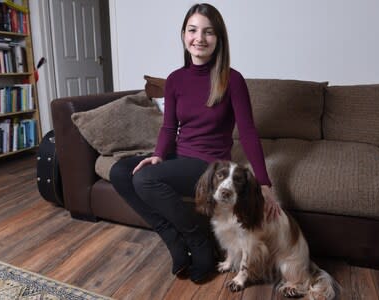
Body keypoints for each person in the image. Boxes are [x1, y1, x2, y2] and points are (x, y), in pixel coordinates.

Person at [110, 3, 280, 283]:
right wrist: (159, 155)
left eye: (208, 32)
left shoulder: (232, 80)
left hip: (208, 165)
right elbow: (169, 126)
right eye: (192, 30)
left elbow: (248, 132)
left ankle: (198, 240)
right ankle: (174, 239)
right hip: (180, 155)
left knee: (145, 181)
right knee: (120, 172)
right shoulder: (176, 79)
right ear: (183, 35)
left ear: (218, 39)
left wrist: (263, 183)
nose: (199, 38)